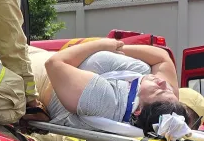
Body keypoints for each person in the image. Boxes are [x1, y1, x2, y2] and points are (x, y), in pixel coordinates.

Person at [44, 37, 181, 133]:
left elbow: (54, 64)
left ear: (139, 110)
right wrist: (117, 48)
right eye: (169, 89)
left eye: (159, 91)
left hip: (38, 74)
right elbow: (163, 58)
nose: (163, 83)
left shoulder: (104, 101)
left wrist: (100, 46)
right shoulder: (165, 104)